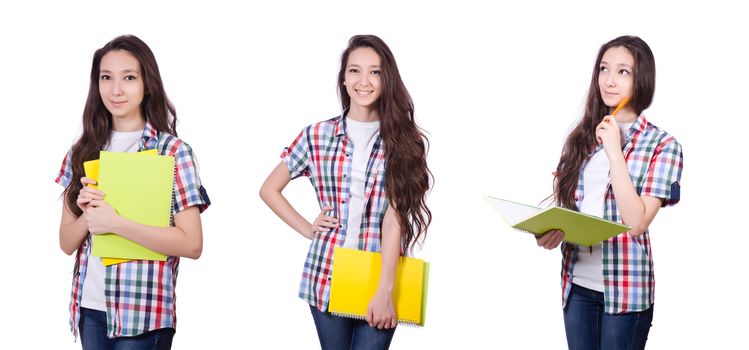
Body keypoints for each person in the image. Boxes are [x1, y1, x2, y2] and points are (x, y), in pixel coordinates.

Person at [260, 34, 431, 350]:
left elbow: (395, 220)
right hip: (327, 273)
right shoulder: (317, 135)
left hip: (382, 276)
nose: (363, 80)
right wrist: (309, 229)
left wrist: (385, 291)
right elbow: (270, 189)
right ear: (343, 78)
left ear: (386, 79)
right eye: (355, 70)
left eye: (375, 72)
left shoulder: (404, 142)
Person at [56, 34, 210, 350]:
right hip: (91, 309)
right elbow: (66, 242)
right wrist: (89, 214)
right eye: (106, 78)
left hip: (143, 314)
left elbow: (192, 244)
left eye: (128, 77)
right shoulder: (83, 151)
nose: (116, 90)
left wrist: (116, 223)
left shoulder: (172, 152)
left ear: (147, 83)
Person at [536, 35, 683, 350]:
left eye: (623, 72)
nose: (609, 80)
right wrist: (554, 229)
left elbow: (637, 221)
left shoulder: (663, 145)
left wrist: (615, 152)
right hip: (576, 287)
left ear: (641, 79)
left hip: (626, 293)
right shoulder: (583, 139)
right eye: (604, 69)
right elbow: (578, 211)